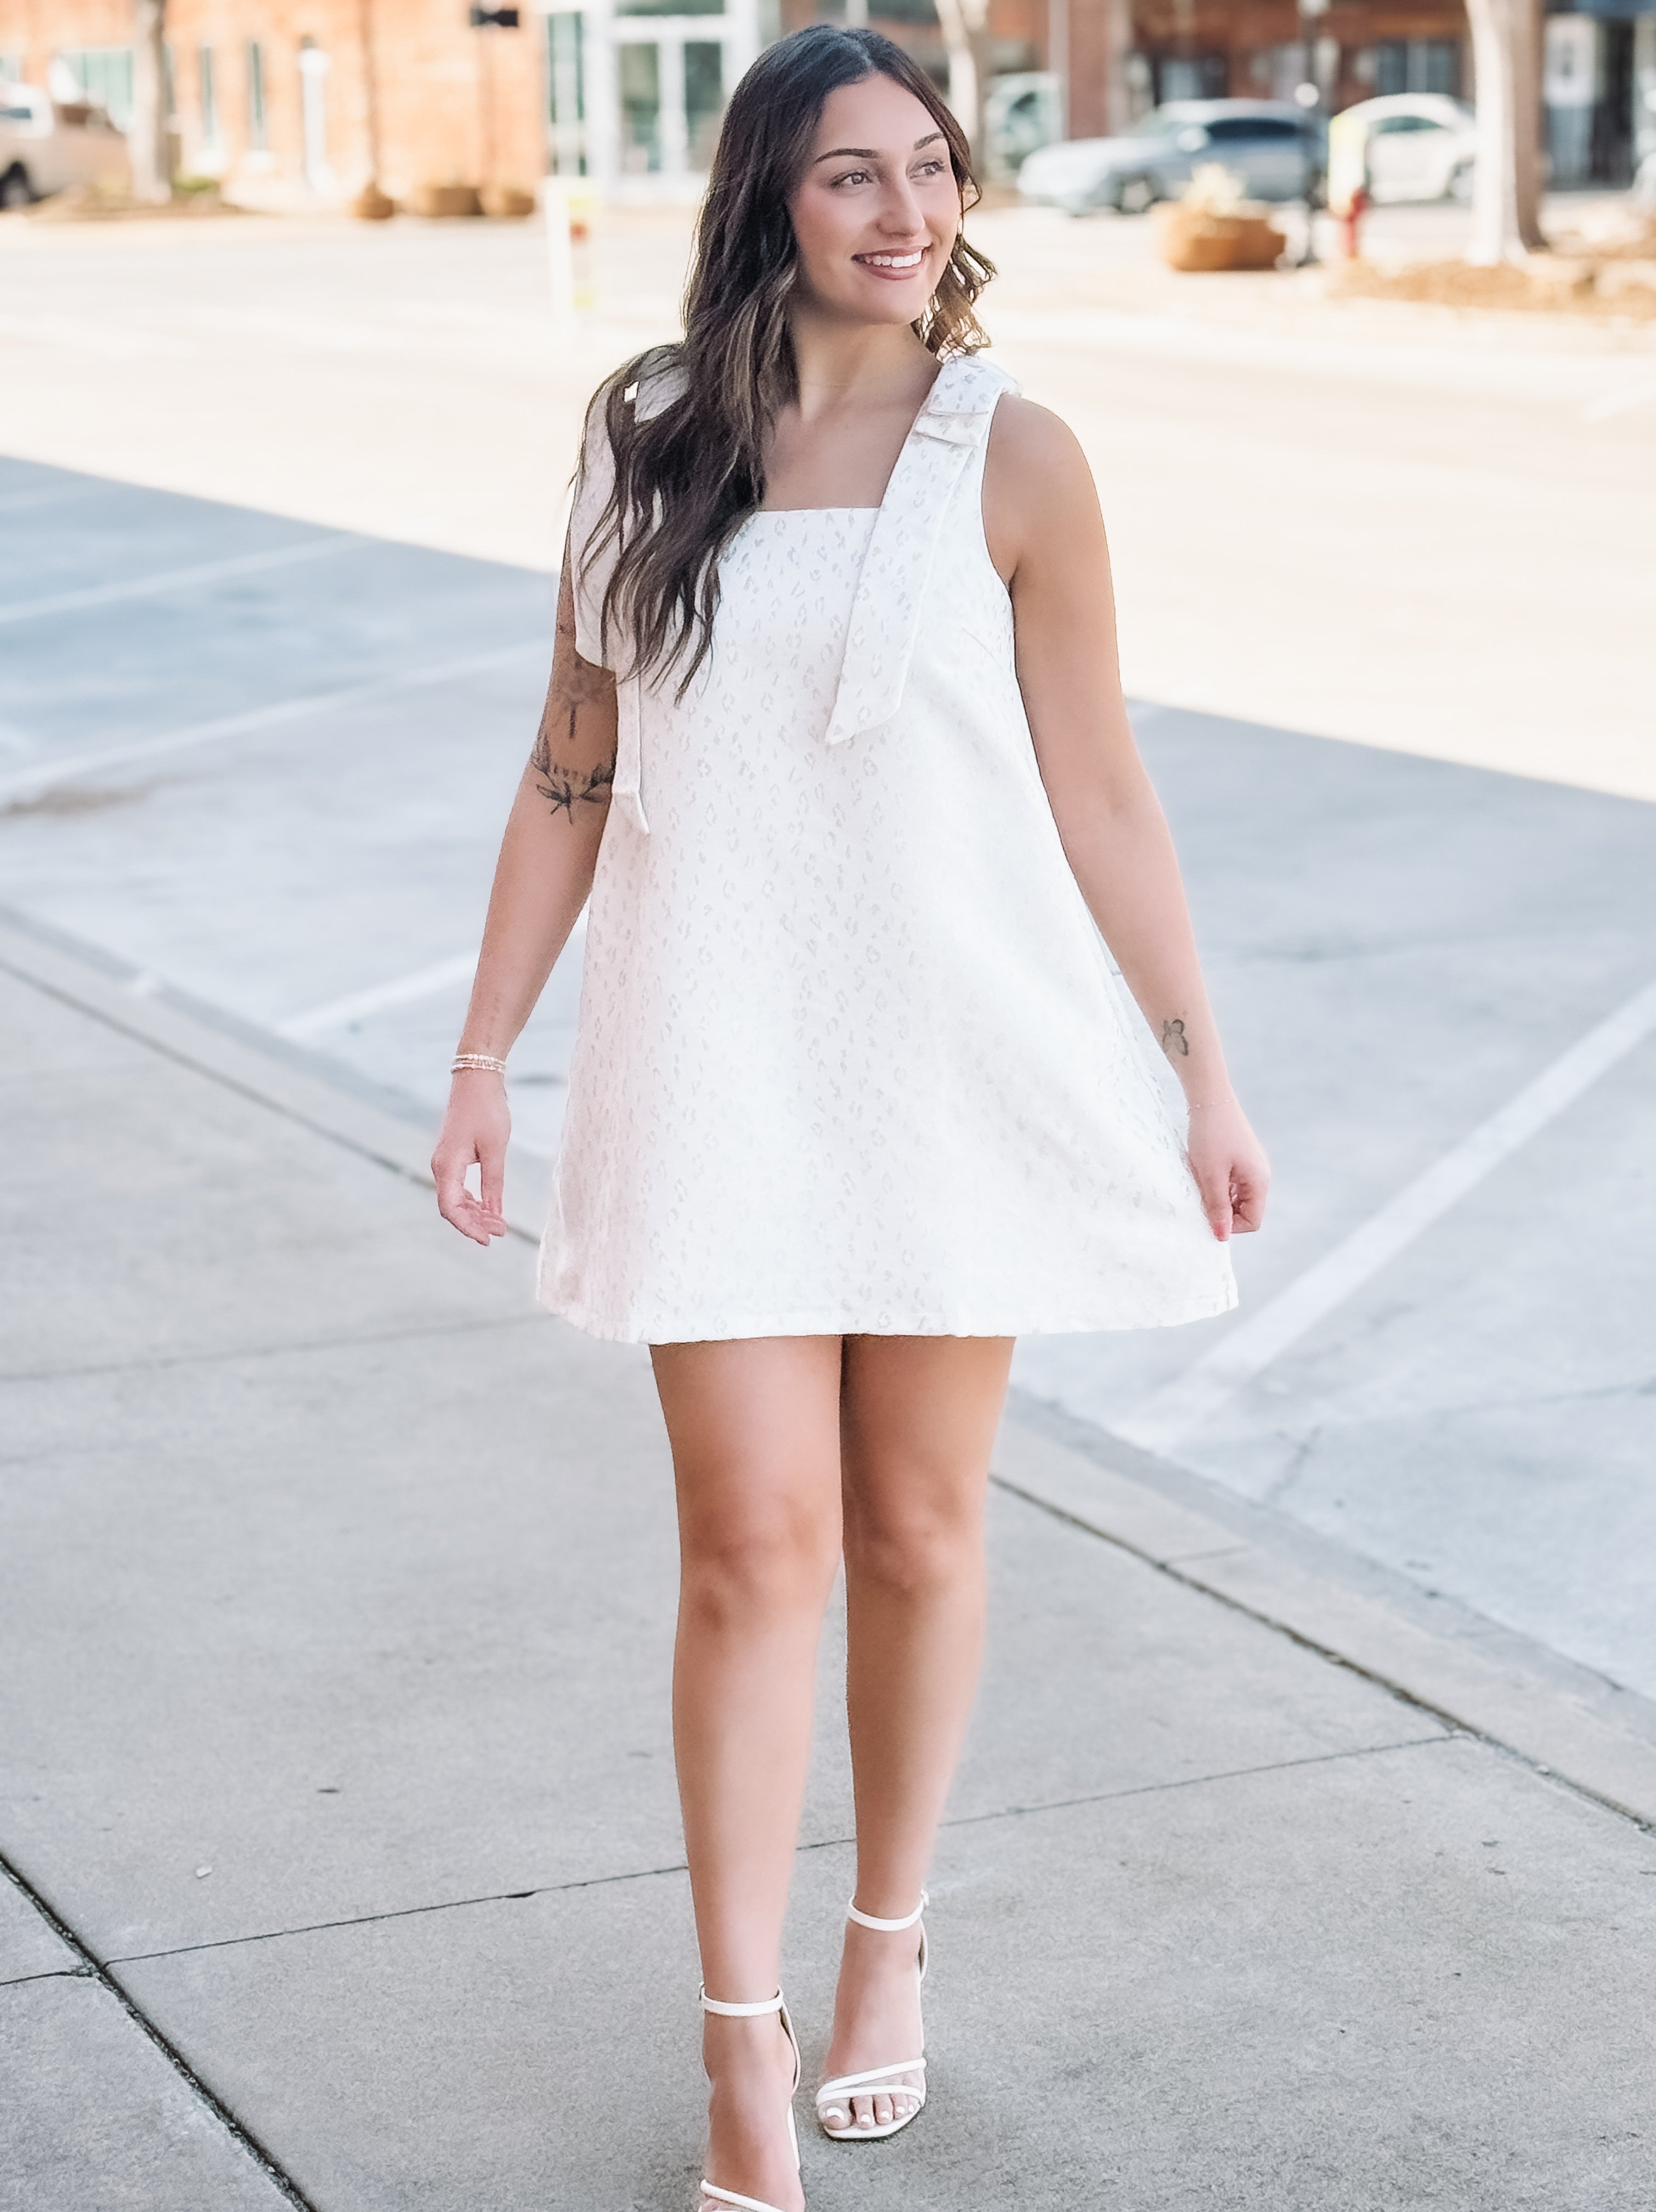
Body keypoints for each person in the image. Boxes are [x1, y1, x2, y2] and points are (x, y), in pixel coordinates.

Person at [433, 25, 1269, 2211]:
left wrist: (1200, 1064)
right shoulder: (645, 445)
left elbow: (1100, 783)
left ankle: (886, 1951)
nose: (905, 215)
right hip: (713, 1067)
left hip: (954, 1071)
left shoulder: (1021, 455)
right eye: (848, 179)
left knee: (912, 1535)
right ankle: (738, 2041)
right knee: (750, 1550)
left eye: (931, 171)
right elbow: (567, 768)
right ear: (764, 204)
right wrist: (478, 1057)